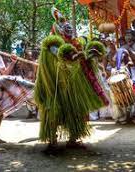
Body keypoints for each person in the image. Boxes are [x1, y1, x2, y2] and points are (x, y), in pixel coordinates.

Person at [35, 7, 108, 152]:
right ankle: (52, 140)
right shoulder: (52, 43)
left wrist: (90, 55)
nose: (67, 26)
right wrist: (76, 56)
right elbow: (62, 57)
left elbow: (81, 60)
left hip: (75, 84)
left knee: (78, 110)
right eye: (63, 24)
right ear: (57, 28)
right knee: (55, 110)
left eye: (67, 23)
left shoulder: (77, 42)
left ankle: (73, 139)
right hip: (57, 85)